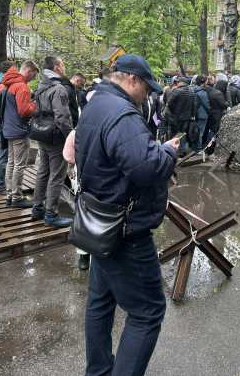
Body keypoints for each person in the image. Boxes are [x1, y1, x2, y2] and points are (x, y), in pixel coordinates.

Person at [75, 54, 179, 376]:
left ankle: (98, 372)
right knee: (148, 312)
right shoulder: (122, 114)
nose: (148, 96)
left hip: (98, 224)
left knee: (100, 303)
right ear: (132, 79)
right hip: (124, 231)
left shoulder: (97, 104)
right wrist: (169, 152)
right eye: (147, 89)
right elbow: (146, 169)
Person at [31, 56, 73, 228]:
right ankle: (51, 214)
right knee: (56, 176)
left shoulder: (41, 86)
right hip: (56, 137)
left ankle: (37, 207)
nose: (64, 67)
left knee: (43, 171)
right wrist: (70, 137)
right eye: (62, 64)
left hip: (42, 134)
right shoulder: (59, 89)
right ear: (56, 67)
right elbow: (62, 117)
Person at [2, 61, 38, 208]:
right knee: (19, 165)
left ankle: (10, 195)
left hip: (9, 129)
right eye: (34, 75)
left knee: (11, 163)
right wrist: (35, 106)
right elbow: (24, 111)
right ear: (29, 71)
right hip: (19, 131)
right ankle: (17, 197)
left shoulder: (10, 84)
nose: (33, 78)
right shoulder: (22, 87)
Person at [63, 129, 91, 270]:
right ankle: (84, 255)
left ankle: (84, 255)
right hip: (97, 178)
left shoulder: (77, 131)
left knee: (83, 214)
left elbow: (68, 155)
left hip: (82, 176)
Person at [0, 60, 15, 193]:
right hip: (2, 125)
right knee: (4, 155)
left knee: (3, 154)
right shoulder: (2, 86)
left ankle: (1, 182)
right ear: (10, 70)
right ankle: (0, 185)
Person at [163, 76, 196, 152]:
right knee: (182, 134)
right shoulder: (192, 91)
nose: (176, 83)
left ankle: (173, 151)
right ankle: (182, 151)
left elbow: (169, 104)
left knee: (174, 135)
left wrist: (170, 117)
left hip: (175, 118)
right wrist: (192, 116)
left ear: (181, 82)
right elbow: (194, 105)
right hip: (187, 118)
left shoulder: (176, 91)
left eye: (177, 82)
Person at [204, 75, 228, 139]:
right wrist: (227, 104)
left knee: (209, 128)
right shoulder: (218, 93)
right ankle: (211, 142)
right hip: (217, 113)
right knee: (215, 129)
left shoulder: (210, 91)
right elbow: (223, 104)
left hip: (210, 112)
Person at [192, 75, 210, 150]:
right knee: (200, 132)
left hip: (194, 114)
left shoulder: (192, 89)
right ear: (204, 82)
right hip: (202, 114)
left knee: (195, 131)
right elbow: (207, 104)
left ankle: (194, 146)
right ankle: (199, 148)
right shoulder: (203, 92)